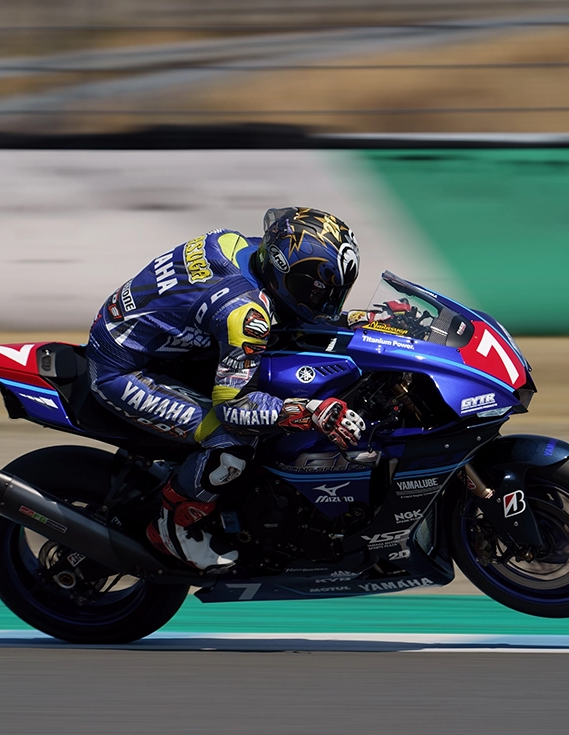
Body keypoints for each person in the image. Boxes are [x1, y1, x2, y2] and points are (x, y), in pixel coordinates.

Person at [86, 207, 366, 572]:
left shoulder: (240, 247)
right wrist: (310, 413)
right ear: (286, 274)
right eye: (315, 291)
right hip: (122, 369)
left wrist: (354, 320)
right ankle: (172, 527)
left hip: (158, 343)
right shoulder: (245, 314)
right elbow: (233, 408)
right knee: (234, 442)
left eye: (334, 293)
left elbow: (287, 316)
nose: (325, 303)